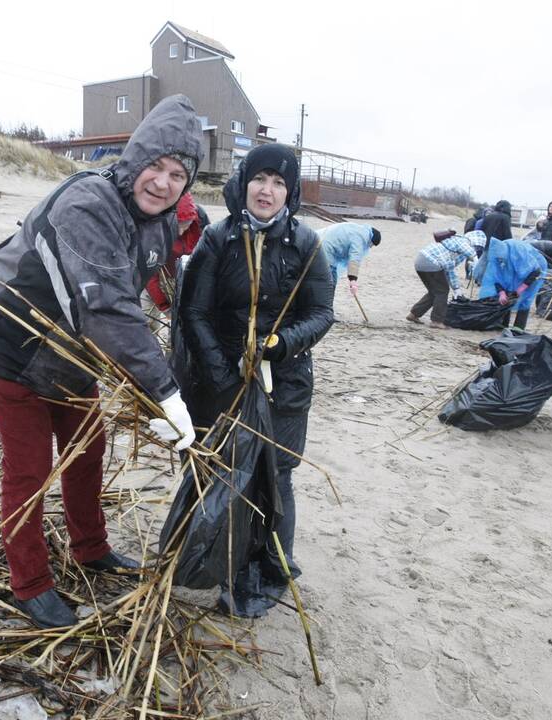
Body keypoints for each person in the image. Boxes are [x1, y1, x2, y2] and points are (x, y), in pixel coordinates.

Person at [0, 95, 203, 628]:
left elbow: (158, 286)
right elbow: (108, 308)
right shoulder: (88, 204)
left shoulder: (159, 218)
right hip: (13, 346)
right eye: (156, 166)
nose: (163, 183)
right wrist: (163, 394)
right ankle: (30, 585)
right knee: (30, 469)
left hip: (72, 354)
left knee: (87, 449)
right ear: (135, 158)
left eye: (178, 174)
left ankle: (91, 550)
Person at [179, 143, 333, 617]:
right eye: (260, 179)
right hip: (221, 380)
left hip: (284, 383)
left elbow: (322, 313)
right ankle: (216, 558)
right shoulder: (218, 238)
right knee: (220, 470)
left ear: (291, 191)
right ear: (244, 182)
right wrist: (222, 373)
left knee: (276, 476)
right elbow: (195, 311)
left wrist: (279, 344)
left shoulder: (306, 243)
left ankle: (271, 564)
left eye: (279, 183)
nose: (267, 191)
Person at [141, 192, 208, 323]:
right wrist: (165, 308)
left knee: (179, 328)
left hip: (182, 282)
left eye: (186, 225)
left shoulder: (200, 220)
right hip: (155, 279)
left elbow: (207, 258)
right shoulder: (154, 228)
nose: (181, 232)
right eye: (178, 226)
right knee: (146, 322)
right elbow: (149, 276)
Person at [406, 229, 478, 328]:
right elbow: (451, 269)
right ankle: (436, 321)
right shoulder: (463, 244)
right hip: (432, 263)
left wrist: (456, 288)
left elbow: (449, 269)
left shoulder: (452, 241)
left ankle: (414, 314)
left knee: (434, 291)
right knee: (442, 291)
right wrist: (475, 259)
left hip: (420, 260)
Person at [474, 236, 547, 330]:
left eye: (501, 259)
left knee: (525, 299)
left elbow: (536, 272)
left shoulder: (519, 252)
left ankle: (519, 327)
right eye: (498, 260)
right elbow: (495, 278)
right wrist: (502, 293)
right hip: (512, 269)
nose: (500, 261)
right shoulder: (496, 258)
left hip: (533, 269)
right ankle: (503, 325)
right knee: (508, 294)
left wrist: (521, 288)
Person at [317, 222, 382, 303]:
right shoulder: (361, 237)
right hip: (326, 249)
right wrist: (353, 280)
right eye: (371, 245)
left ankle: (324, 307)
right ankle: (324, 308)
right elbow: (354, 257)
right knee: (330, 281)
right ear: (371, 240)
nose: (369, 247)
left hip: (320, 243)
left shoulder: (359, 230)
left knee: (327, 280)